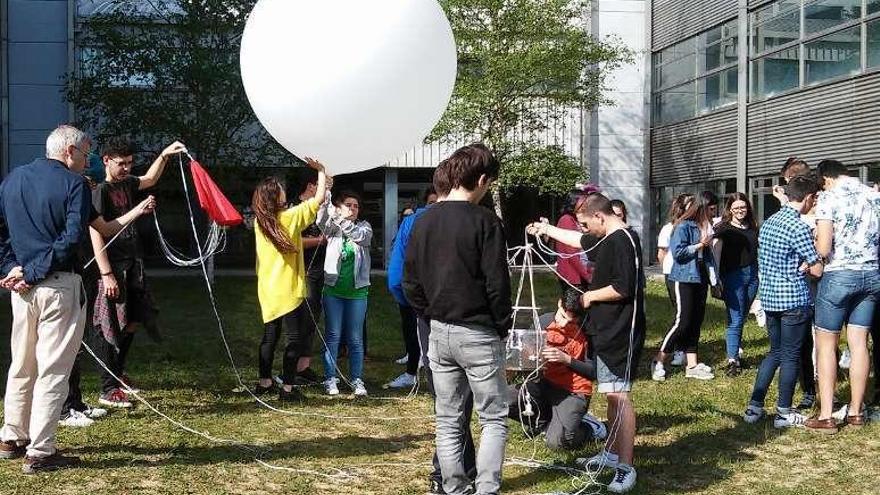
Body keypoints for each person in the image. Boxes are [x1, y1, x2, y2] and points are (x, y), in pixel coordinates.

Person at [404, 144, 512, 495]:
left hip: (439, 332)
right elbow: (498, 283)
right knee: (493, 417)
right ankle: (486, 489)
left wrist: (430, 313)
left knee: (448, 419)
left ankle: (453, 488)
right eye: (489, 183)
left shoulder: (422, 220)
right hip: (478, 331)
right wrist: (501, 325)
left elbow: (410, 282)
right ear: (481, 179)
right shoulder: (486, 221)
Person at [527, 193, 645, 493]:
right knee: (610, 394)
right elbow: (578, 242)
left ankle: (625, 467)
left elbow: (623, 287)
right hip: (605, 330)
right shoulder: (605, 237)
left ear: (600, 217)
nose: (583, 229)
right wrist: (547, 230)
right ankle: (611, 452)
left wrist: (587, 297)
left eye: (585, 223)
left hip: (622, 332)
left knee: (619, 397)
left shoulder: (622, 240)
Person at [0, 125, 94, 473]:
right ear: (69, 151)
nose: (88, 160)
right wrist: (28, 270)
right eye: (85, 153)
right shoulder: (74, 185)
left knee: (22, 363)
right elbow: (71, 240)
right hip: (56, 285)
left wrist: (13, 267)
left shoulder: (13, 179)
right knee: (53, 370)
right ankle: (40, 451)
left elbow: (2, 233)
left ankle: (12, 435)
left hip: (23, 289)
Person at [91, 137, 186, 409]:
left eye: (130, 163)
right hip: (114, 267)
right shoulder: (100, 191)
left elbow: (149, 179)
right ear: (107, 160)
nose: (126, 168)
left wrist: (165, 153)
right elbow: (98, 232)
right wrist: (106, 273)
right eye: (121, 163)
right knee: (110, 325)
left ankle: (118, 374)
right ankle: (107, 388)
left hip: (134, 263)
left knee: (133, 320)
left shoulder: (128, 182)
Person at [61, 180, 158, 428]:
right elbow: (98, 232)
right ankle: (73, 403)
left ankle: (77, 402)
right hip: (73, 277)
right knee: (93, 332)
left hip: (89, 274)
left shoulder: (84, 194)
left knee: (120, 324)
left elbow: (106, 226)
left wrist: (137, 210)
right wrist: (106, 273)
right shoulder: (90, 194)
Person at [742, 177, 823, 429]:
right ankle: (784, 411)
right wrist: (809, 265)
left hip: (771, 297)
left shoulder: (769, 222)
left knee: (774, 352)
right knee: (790, 356)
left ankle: (755, 406)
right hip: (794, 299)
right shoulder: (798, 227)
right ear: (808, 198)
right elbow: (818, 269)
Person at [806, 160, 880, 433]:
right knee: (860, 343)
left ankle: (826, 415)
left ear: (825, 179)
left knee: (827, 343)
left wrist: (814, 242)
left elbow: (824, 247)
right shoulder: (873, 195)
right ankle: (856, 411)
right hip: (871, 274)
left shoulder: (829, 197)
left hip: (839, 275)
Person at [252, 160, 328, 402]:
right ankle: (287, 388)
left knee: (270, 336)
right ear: (276, 198)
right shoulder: (289, 217)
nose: (285, 191)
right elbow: (318, 199)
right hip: (288, 289)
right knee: (294, 339)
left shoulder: (260, 222)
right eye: (281, 189)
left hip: (268, 288)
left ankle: (264, 383)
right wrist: (322, 172)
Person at [508, 289, 598, 451]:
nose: (563, 323)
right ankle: (542, 424)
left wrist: (566, 359)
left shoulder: (588, 331)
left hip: (572, 391)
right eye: (562, 316)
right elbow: (526, 358)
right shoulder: (543, 322)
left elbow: (594, 372)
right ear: (559, 304)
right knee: (501, 399)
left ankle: (590, 429)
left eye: (571, 320)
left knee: (557, 443)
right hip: (543, 385)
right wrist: (528, 356)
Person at [653, 194, 716, 381]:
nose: (712, 212)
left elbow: (708, 256)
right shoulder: (683, 226)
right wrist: (699, 245)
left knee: (696, 321)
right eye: (709, 209)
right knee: (682, 321)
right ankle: (659, 360)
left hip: (700, 277)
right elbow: (679, 253)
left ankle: (692, 365)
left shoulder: (703, 226)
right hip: (684, 277)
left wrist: (714, 277)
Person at [318, 190, 373, 397]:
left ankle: (356, 379)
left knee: (355, 338)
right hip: (333, 291)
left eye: (356, 206)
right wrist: (326, 199)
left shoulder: (364, 227)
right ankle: (330, 378)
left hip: (357, 293)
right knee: (332, 335)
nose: (352, 208)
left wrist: (339, 217)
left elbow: (358, 236)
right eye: (348, 204)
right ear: (340, 207)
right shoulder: (333, 229)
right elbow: (322, 220)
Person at [386, 187, 439, 390]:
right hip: (418, 288)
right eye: (430, 203)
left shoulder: (413, 221)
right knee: (419, 333)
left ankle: (416, 372)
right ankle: (417, 372)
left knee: (421, 333)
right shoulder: (418, 220)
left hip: (414, 288)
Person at [712, 193, 759, 377]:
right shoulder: (723, 229)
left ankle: (736, 350)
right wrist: (716, 279)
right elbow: (715, 252)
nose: (740, 210)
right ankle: (733, 360)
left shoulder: (753, 227)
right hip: (733, 277)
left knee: (743, 315)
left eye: (743, 207)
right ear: (730, 209)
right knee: (736, 318)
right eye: (736, 207)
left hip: (752, 275)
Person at [292, 171, 328, 386]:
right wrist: (319, 241)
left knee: (313, 316)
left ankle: (304, 366)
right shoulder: (294, 209)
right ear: (311, 186)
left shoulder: (322, 210)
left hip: (320, 269)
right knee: (302, 318)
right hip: (302, 269)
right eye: (324, 185)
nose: (326, 191)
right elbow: (292, 240)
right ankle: (294, 366)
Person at [656, 193, 693, 368]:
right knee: (680, 315)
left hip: (690, 274)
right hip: (674, 274)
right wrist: (667, 271)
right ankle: (674, 351)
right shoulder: (669, 228)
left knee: (688, 315)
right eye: (690, 204)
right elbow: (662, 253)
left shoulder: (694, 226)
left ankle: (684, 350)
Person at [554, 191, 594, 293]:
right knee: (572, 307)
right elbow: (571, 253)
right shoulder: (566, 220)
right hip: (572, 275)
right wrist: (588, 276)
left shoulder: (576, 219)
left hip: (578, 273)